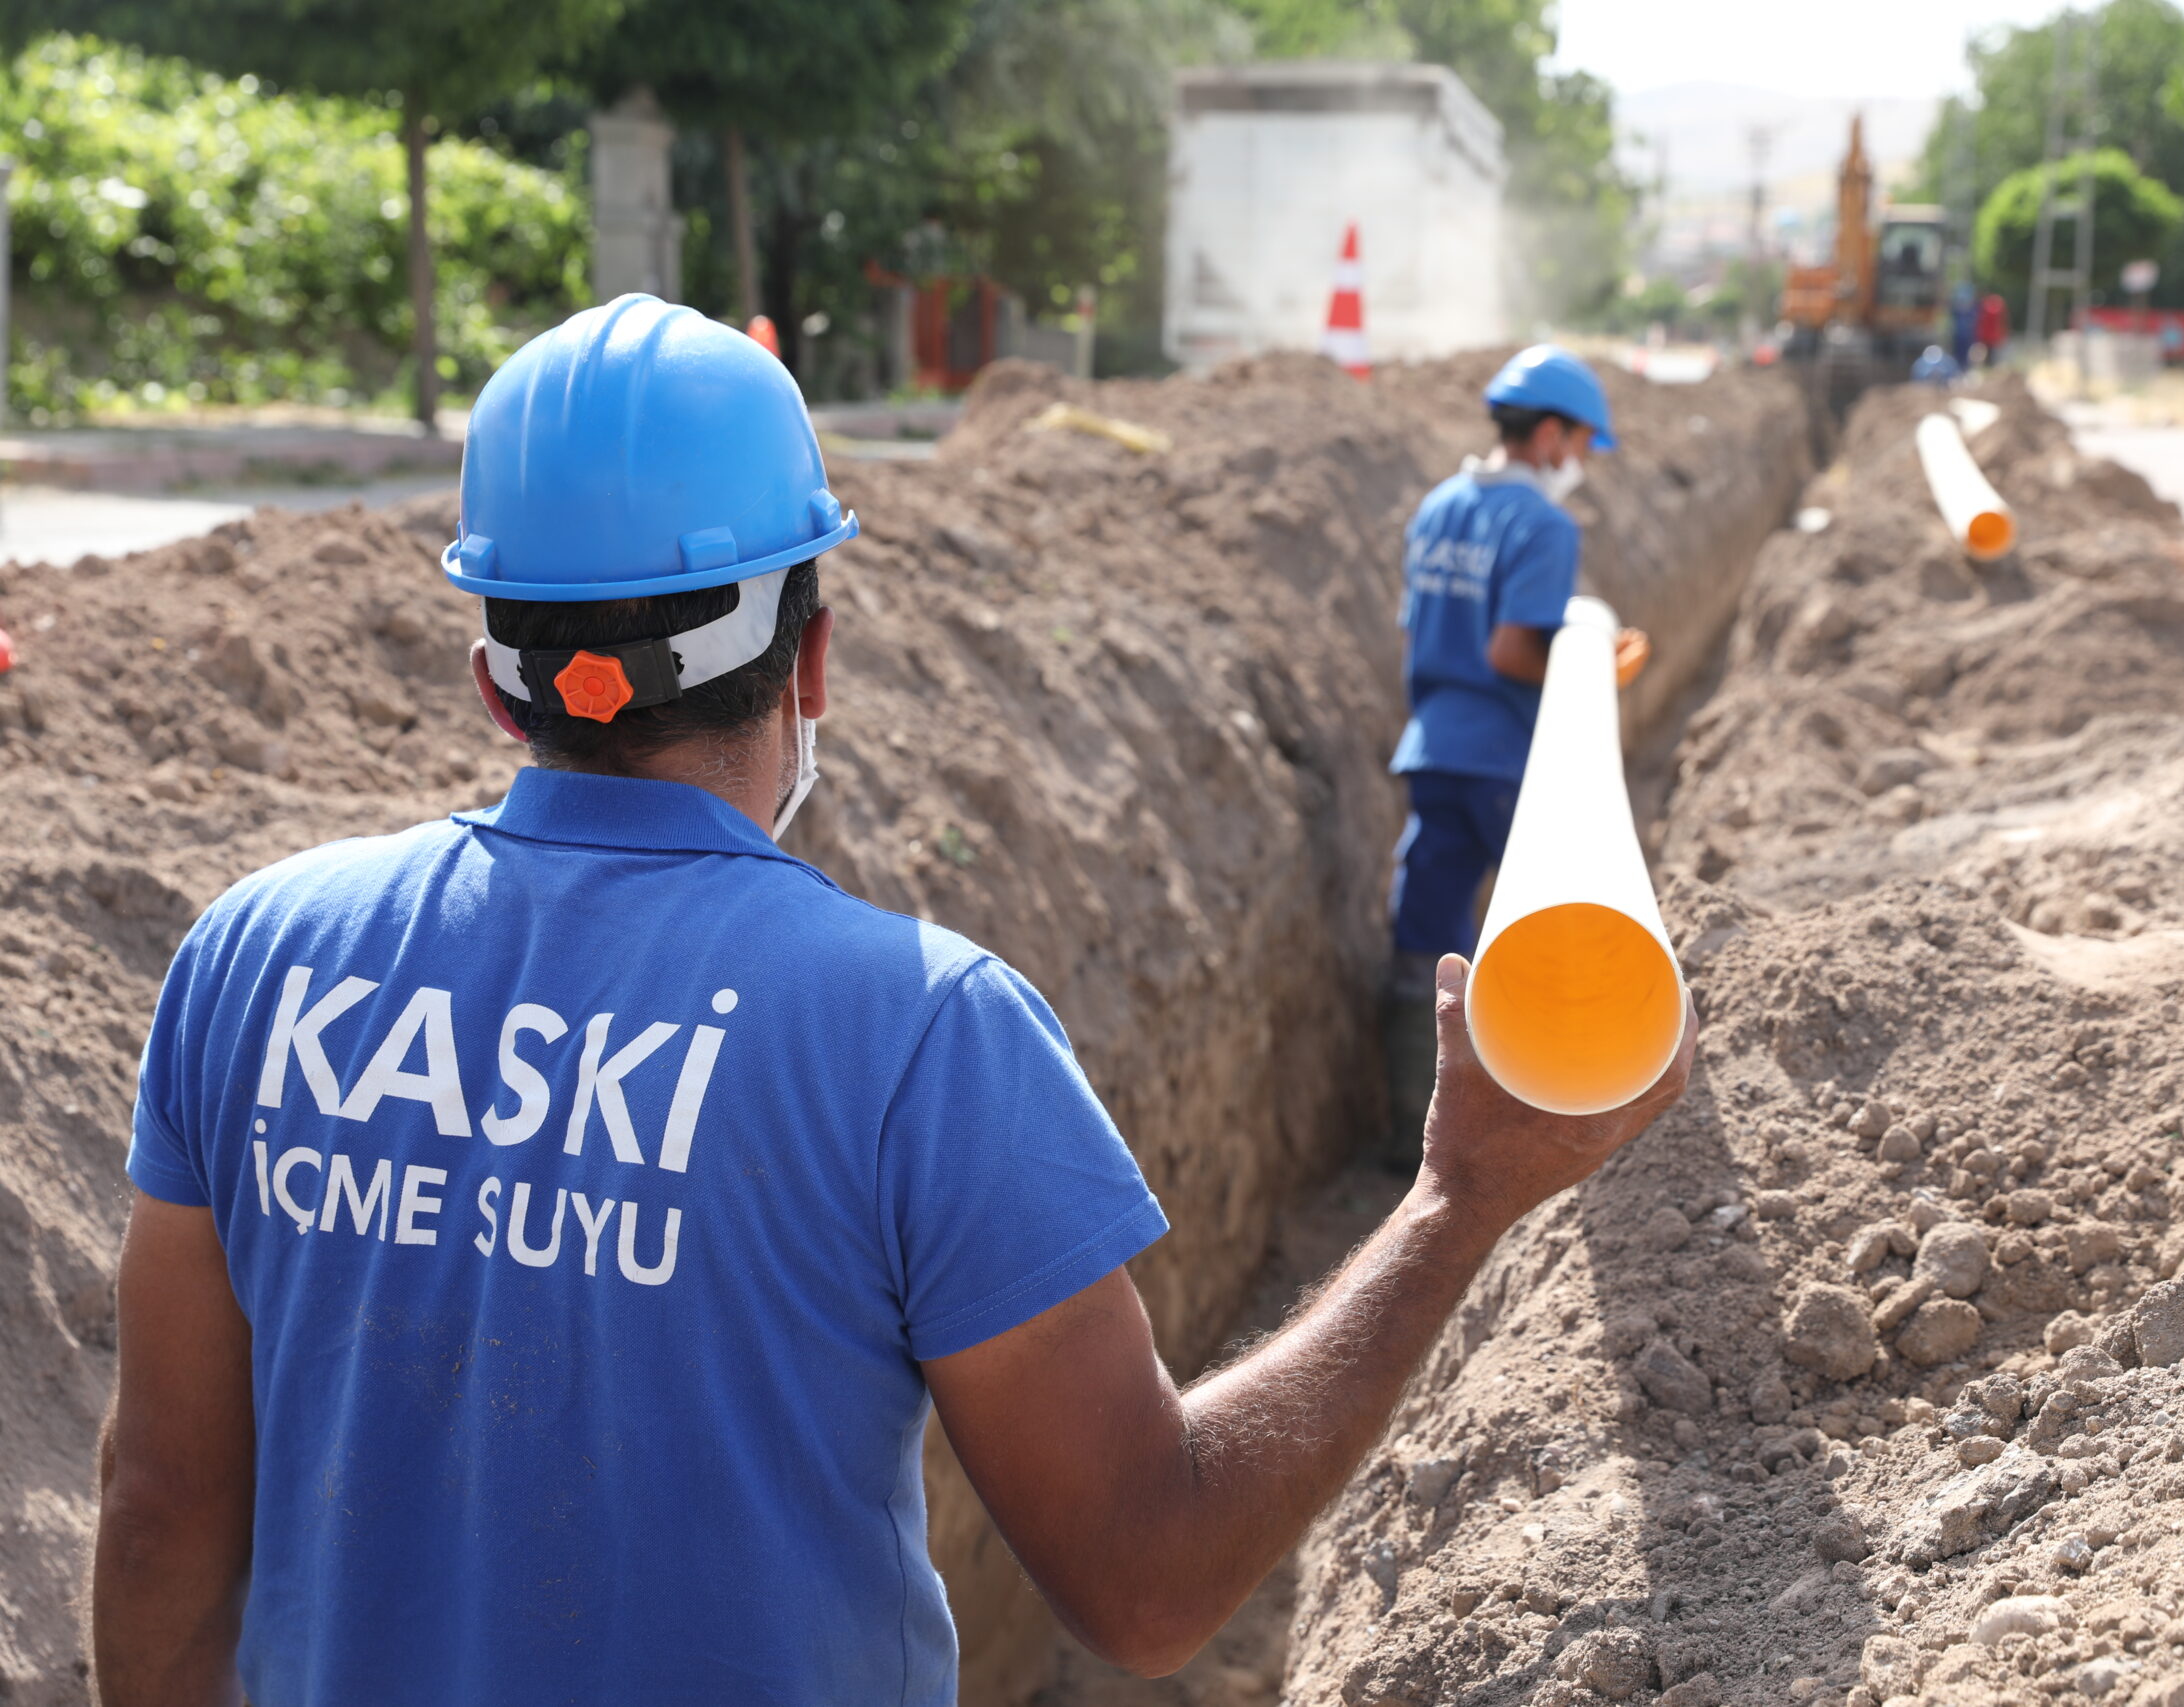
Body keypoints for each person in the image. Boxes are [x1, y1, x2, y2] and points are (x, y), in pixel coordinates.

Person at [90, 296, 1695, 1706]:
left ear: (492, 666)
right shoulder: (920, 1035)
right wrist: (1453, 1200)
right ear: (813, 659)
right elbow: (1147, 1577)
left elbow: (163, 1509)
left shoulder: (252, 961)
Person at [1381, 344, 1647, 1163]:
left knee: (1425, 937)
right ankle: (1553, 1120)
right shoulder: (1541, 523)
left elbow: (1418, 630)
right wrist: (1587, 667)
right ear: (1551, 434)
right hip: (1502, 759)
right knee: (1553, 934)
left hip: (1430, 750)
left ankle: (1407, 1138)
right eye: (1578, 445)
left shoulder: (1440, 505)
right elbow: (1507, 652)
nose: (1578, 463)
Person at [1976, 290, 2009, 367]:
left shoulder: (1986, 308)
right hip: (1994, 336)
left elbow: (1981, 322)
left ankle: (1987, 365)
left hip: (1986, 335)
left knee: (1987, 353)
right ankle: (1990, 365)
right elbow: (2003, 323)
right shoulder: (1998, 309)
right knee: (1992, 354)